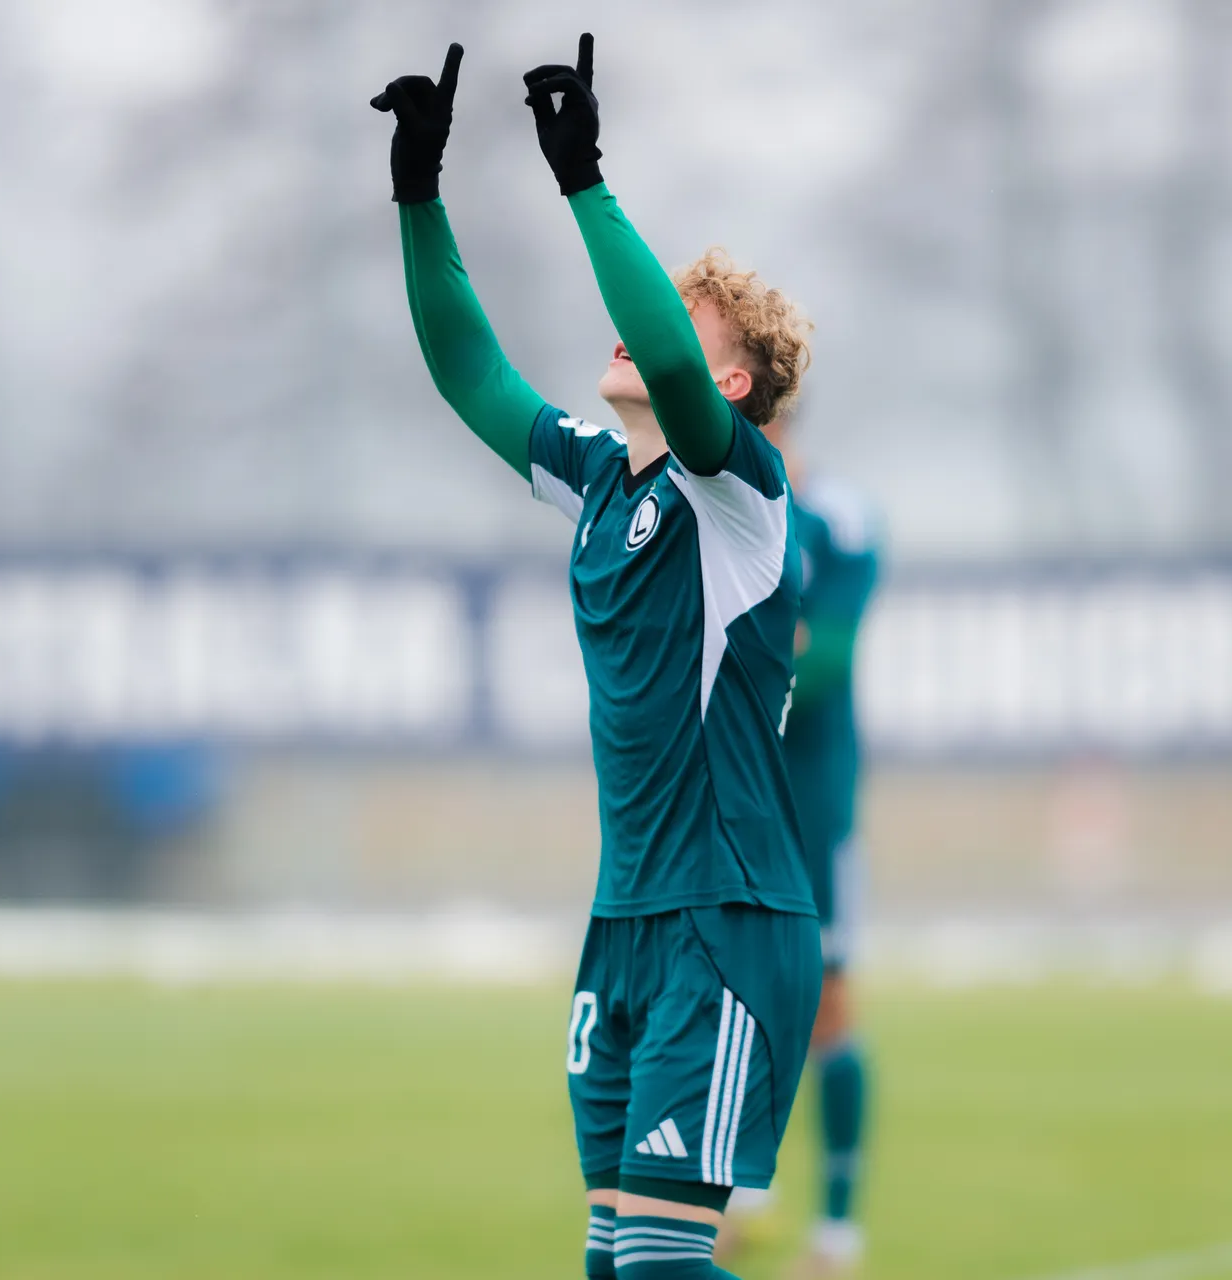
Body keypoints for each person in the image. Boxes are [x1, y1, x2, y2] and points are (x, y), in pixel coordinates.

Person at [371, 35, 822, 1280]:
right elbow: (470, 368)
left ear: (732, 379)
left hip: (727, 917)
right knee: (618, 1265)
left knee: (665, 1267)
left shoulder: (738, 494)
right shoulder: (593, 474)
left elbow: (667, 361)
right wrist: (418, 194)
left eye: (680, 315)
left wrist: (584, 181)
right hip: (626, 919)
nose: (638, 327)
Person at [721, 419, 882, 1276]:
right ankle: (742, 1198)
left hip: (814, 798)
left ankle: (836, 1234)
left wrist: (735, 660)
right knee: (729, 988)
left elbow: (828, 658)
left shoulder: (837, 521)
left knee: (828, 1001)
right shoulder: (710, 509)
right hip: (733, 791)